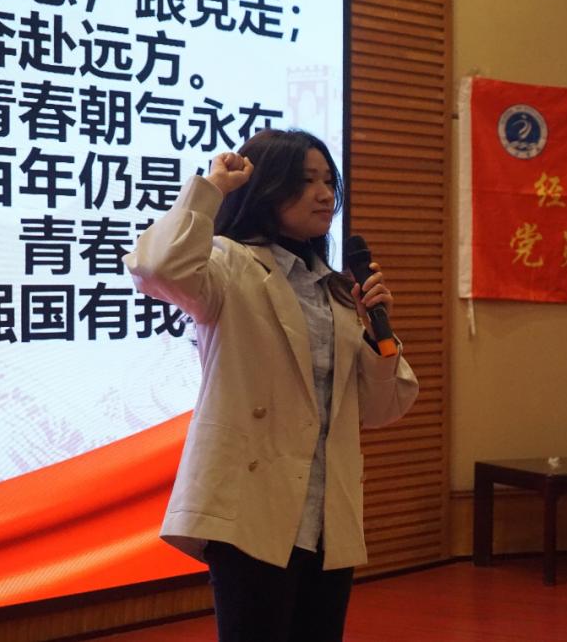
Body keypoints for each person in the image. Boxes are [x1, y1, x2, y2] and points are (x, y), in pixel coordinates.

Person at [123, 129, 419, 641]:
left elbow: (381, 408)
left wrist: (378, 337)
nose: (324, 195)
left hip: (327, 513)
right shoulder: (229, 263)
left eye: (328, 182)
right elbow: (157, 268)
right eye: (305, 181)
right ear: (268, 190)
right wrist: (213, 189)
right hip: (251, 507)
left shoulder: (336, 288)